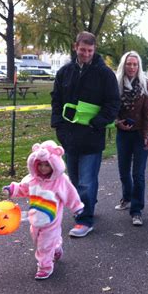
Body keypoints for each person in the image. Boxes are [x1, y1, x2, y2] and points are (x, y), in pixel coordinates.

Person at [50, 31, 120, 237]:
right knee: (74, 179)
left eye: (90, 50)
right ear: (75, 47)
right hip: (69, 136)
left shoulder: (105, 74)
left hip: (91, 136)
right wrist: (58, 125)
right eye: (82, 50)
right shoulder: (65, 72)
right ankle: (84, 206)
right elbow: (56, 99)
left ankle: (85, 219)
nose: (86, 54)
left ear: (94, 49)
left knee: (87, 181)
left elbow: (113, 103)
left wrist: (97, 123)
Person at [3, 140, 84, 280]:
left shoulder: (60, 180)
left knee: (44, 245)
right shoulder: (33, 179)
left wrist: (76, 207)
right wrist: (13, 189)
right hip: (35, 218)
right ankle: (56, 248)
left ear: (54, 164)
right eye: (39, 164)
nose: (43, 168)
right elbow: (23, 188)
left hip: (52, 220)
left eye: (47, 164)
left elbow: (70, 194)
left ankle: (45, 267)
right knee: (37, 239)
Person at [113, 51, 148, 227]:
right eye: (129, 64)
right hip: (123, 132)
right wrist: (117, 122)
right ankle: (127, 197)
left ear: (139, 66)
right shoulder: (116, 83)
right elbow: (111, 107)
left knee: (138, 173)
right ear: (124, 65)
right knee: (123, 170)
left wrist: (146, 135)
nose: (132, 67)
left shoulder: (147, 84)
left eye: (135, 64)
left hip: (140, 133)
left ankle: (136, 210)